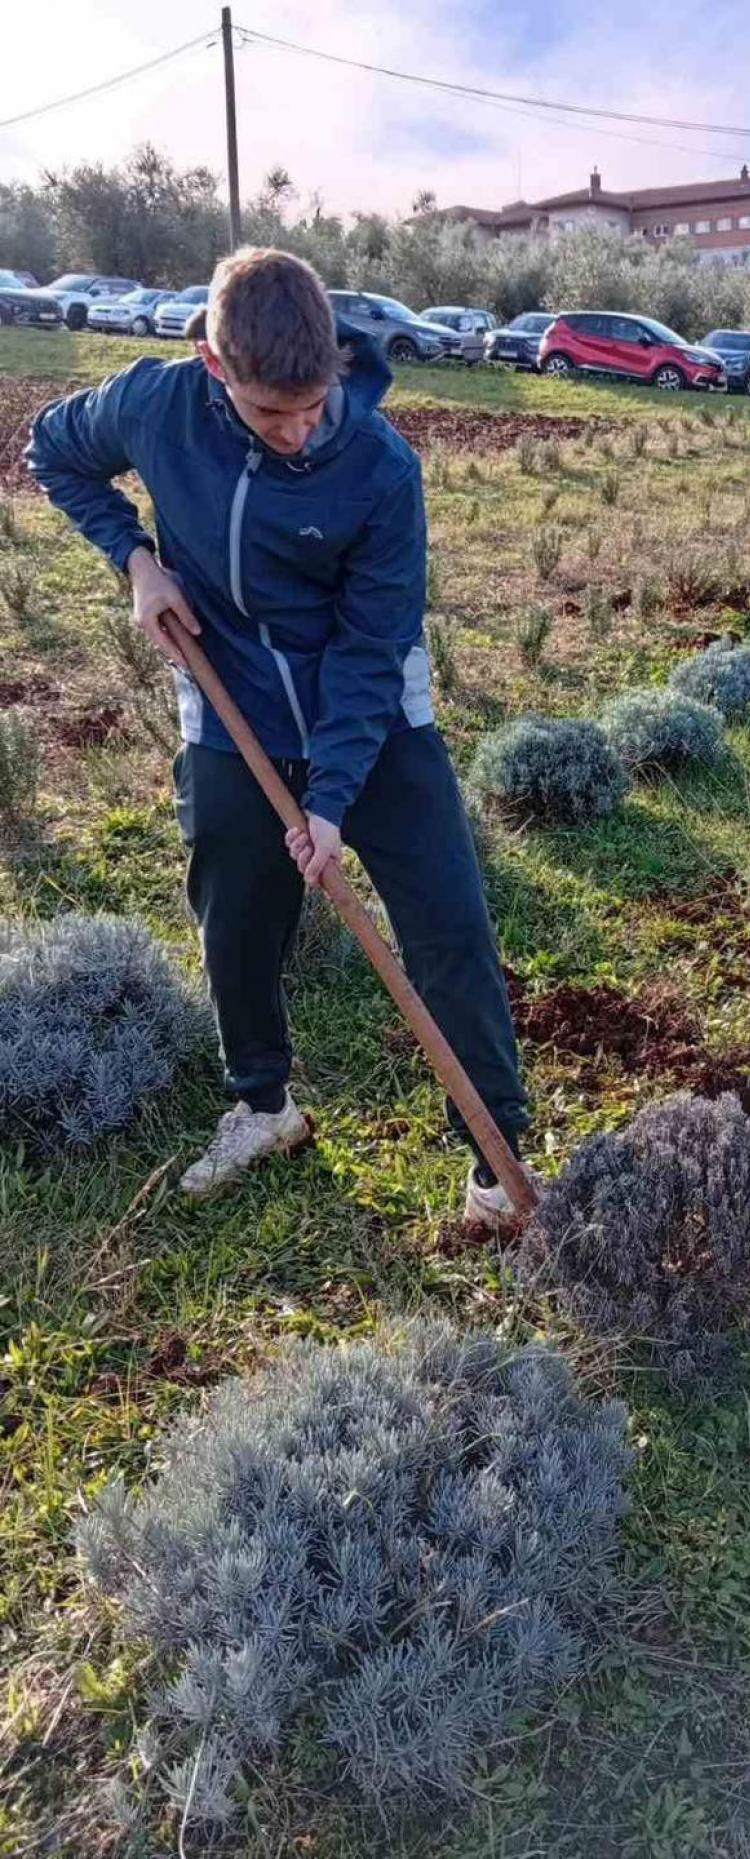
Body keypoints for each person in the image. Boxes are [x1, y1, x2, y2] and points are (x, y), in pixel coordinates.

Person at [26, 247, 530, 1221]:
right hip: (229, 707)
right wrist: (135, 559)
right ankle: (262, 1105)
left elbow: (369, 646)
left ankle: (496, 1165)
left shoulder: (381, 468)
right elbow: (54, 451)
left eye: (314, 406)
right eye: (271, 414)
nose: (299, 432)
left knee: (448, 926)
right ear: (218, 370)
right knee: (235, 913)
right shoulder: (154, 406)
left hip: (375, 718)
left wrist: (330, 799)